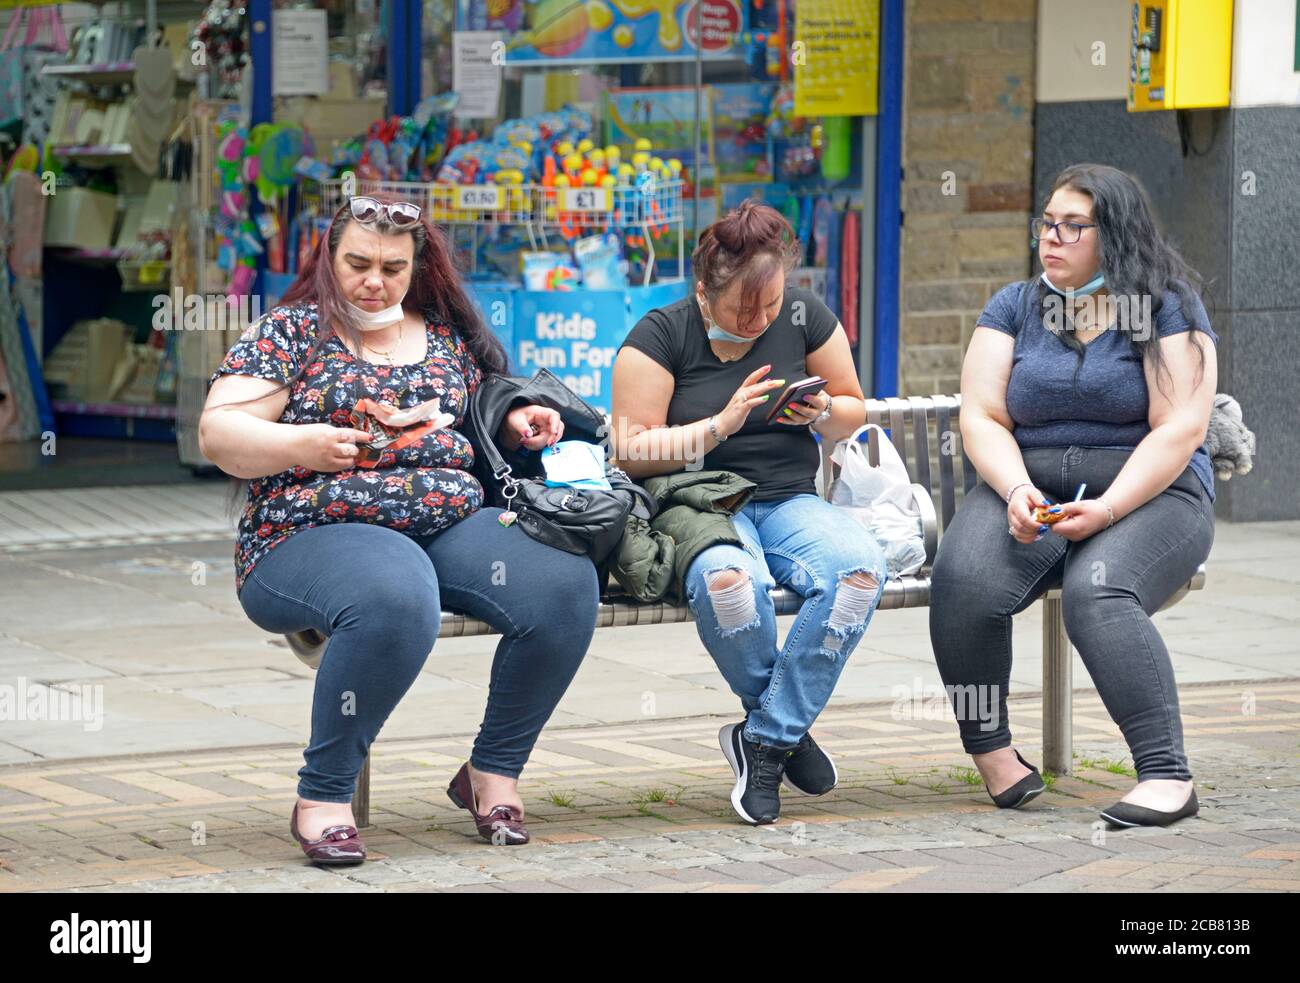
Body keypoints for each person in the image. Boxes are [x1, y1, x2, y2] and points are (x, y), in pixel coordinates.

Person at [199, 192, 599, 862]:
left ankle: (491, 771)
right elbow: (219, 432)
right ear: (328, 257)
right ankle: (321, 794)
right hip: (308, 532)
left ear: (419, 267)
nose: (373, 279)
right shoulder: (292, 330)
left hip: (447, 523)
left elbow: (479, 417)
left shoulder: (444, 335)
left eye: (392, 266)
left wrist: (513, 421)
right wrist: (305, 446)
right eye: (358, 261)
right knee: (395, 592)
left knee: (562, 583)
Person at [929, 163, 1218, 828]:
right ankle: (994, 753)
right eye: (1047, 223)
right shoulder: (1014, 306)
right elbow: (981, 415)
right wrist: (1016, 487)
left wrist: (1110, 507)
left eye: (1071, 227)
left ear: (1112, 235)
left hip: (1153, 492)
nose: (1050, 238)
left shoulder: (1168, 306)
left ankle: (1167, 774)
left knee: (1098, 587)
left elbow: (1182, 428)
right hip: (1030, 484)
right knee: (963, 577)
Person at [610, 200, 887, 826]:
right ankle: (786, 732)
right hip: (700, 502)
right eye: (743, 307)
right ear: (704, 290)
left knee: (858, 574)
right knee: (730, 587)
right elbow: (628, 453)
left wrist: (819, 414)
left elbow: (852, 408)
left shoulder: (803, 316)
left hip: (789, 500)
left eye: (770, 304)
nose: (759, 319)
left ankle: (763, 738)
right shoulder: (659, 335)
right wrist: (717, 425)